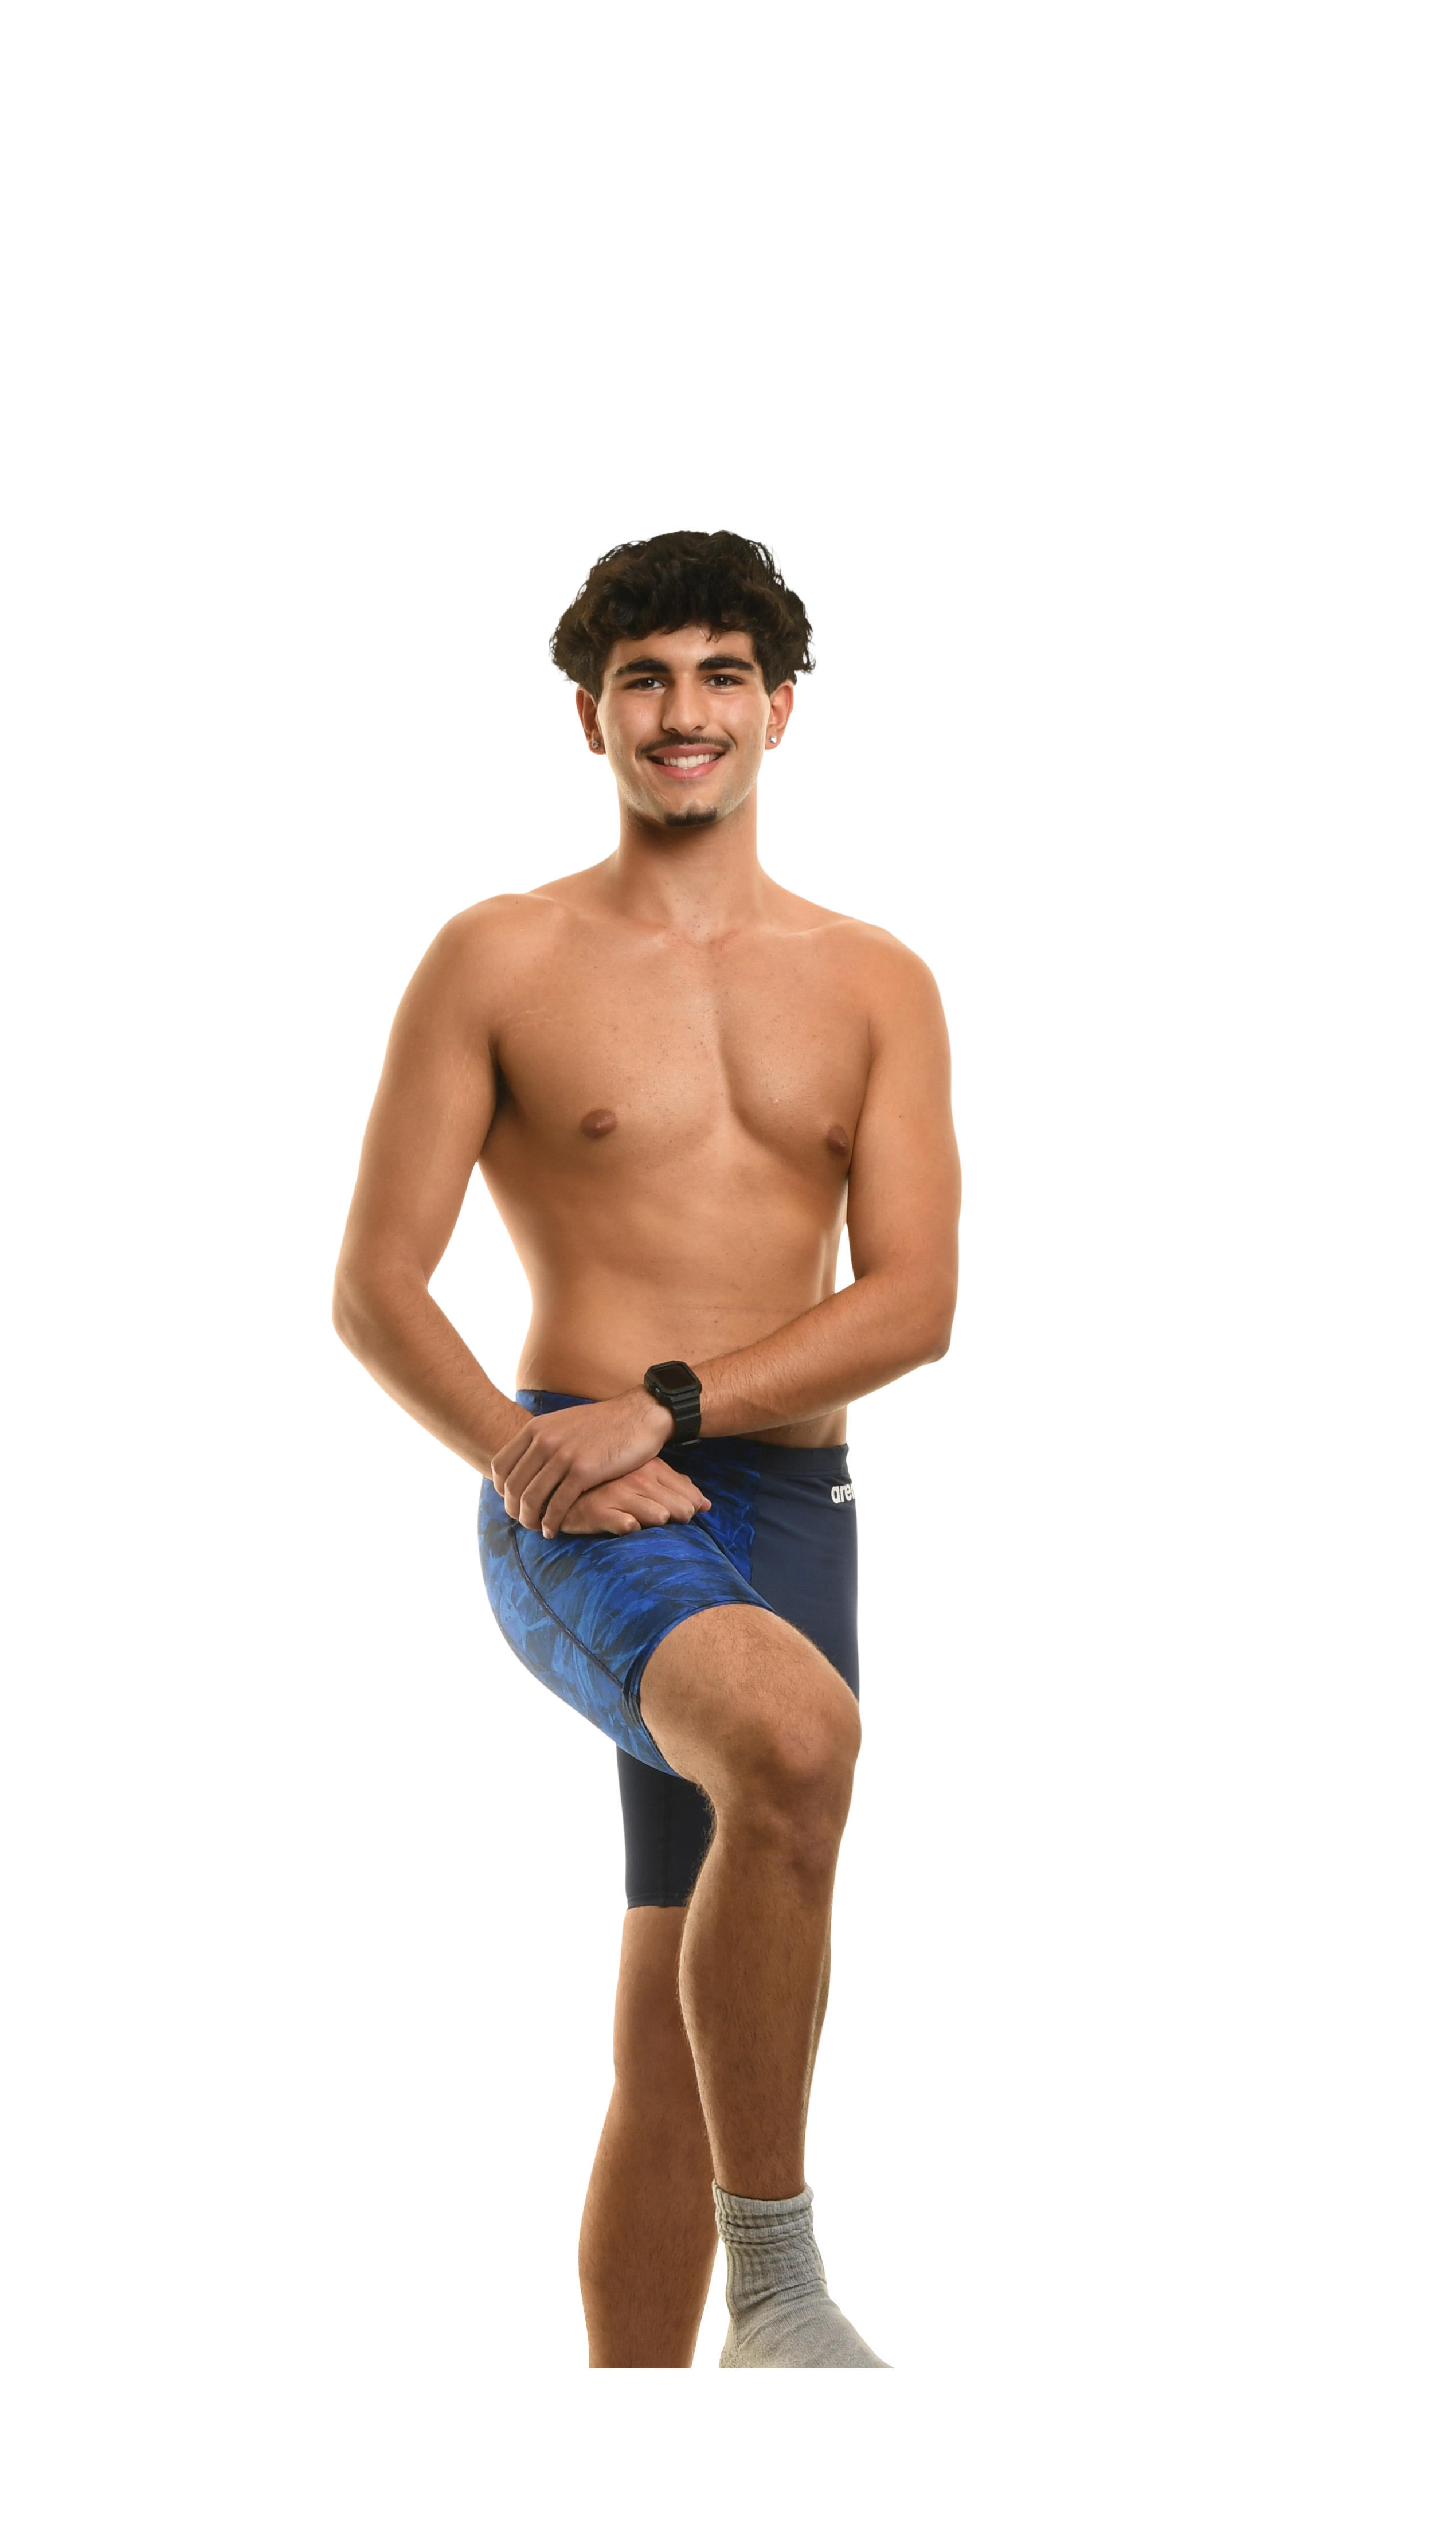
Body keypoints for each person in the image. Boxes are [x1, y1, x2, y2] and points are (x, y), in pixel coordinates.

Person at [332, 528, 961, 2368]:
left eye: (719, 675)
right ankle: (783, 2292)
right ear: (590, 717)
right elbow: (376, 1285)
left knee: (680, 2038)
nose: (683, 712)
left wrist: (670, 1405)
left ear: (783, 707)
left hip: (787, 1497)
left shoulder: (877, 981)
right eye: (642, 680)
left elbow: (916, 1300)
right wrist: (541, 1455)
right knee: (797, 1740)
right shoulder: (499, 954)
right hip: (581, 1494)